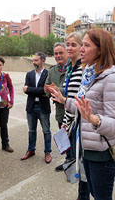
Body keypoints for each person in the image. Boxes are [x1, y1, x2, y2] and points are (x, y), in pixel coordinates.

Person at [52, 28, 115, 200]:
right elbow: (84, 106)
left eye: (86, 45)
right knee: (92, 191)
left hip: (102, 152)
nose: (81, 49)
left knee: (100, 195)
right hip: (87, 147)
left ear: (100, 49)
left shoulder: (112, 78)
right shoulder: (89, 74)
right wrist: (64, 100)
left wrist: (94, 119)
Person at [49, 33, 90, 199]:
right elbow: (68, 99)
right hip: (71, 122)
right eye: (68, 44)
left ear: (81, 47)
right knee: (77, 166)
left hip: (82, 125)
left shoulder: (84, 69)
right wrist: (65, 123)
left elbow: (81, 100)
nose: (69, 47)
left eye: (74, 44)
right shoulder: (70, 69)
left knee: (83, 168)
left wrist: (63, 99)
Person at [21, 52, 52, 164]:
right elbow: (25, 90)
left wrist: (30, 89)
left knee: (46, 131)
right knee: (31, 131)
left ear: (43, 61)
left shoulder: (48, 74)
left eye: (36, 60)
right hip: (31, 107)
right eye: (33, 60)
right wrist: (39, 91)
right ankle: (31, 150)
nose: (34, 62)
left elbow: (46, 91)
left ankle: (47, 152)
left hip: (43, 107)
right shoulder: (29, 74)